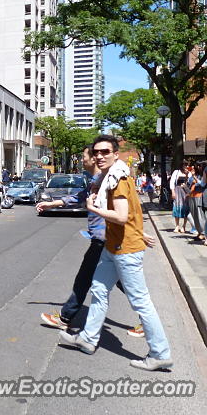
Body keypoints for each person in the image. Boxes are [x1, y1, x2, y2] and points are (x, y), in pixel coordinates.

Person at [58, 134, 172, 371]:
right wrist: (139, 231)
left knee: (140, 302)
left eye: (105, 152)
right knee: (99, 289)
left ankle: (160, 353)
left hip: (124, 250)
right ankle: (88, 339)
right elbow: (134, 213)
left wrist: (92, 208)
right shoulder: (113, 177)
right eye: (97, 152)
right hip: (113, 246)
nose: (99, 156)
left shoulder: (117, 180)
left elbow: (121, 216)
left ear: (115, 155)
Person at [37, 144, 150, 337]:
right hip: (102, 239)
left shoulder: (106, 180)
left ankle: (67, 320)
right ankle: (145, 321)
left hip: (105, 239)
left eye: (84, 157)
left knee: (88, 279)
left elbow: (125, 209)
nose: (83, 160)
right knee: (115, 282)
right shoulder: (97, 180)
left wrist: (137, 231)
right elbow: (80, 197)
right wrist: (52, 203)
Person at [186, 163, 205, 241]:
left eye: (197, 166)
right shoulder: (194, 175)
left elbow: (202, 184)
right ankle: (199, 232)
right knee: (194, 216)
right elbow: (190, 183)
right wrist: (189, 175)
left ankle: (203, 233)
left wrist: (194, 176)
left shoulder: (203, 175)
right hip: (192, 196)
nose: (194, 168)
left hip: (199, 196)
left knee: (200, 216)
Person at [169, 161, 189, 233]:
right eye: (184, 164)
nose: (185, 166)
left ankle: (184, 226)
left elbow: (189, 182)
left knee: (186, 208)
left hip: (185, 191)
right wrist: (173, 191)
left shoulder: (189, 173)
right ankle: (177, 225)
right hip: (177, 190)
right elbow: (172, 181)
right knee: (177, 207)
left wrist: (187, 175)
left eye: (186, 165)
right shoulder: (176, 172)